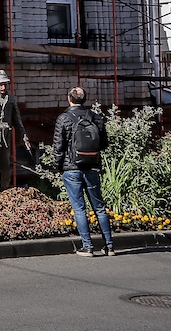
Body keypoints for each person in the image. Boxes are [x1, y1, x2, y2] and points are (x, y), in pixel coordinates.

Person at [53, 86, 116, 257]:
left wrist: (58, 167)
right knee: (100, 207)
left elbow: (58, 147)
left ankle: (87, 247)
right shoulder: (95, 118)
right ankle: (109, 246)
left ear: (69, 98)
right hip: (93, 167)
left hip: (71, 168)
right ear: (84, 99)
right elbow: (103, 144)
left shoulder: (63, 119)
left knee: (79, 209)